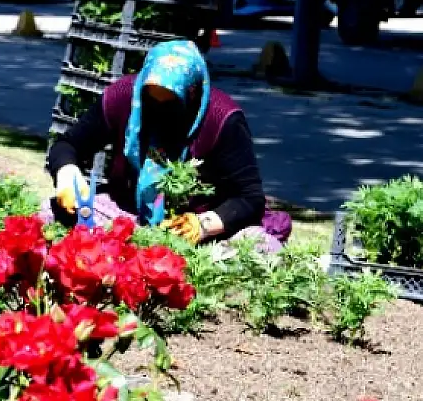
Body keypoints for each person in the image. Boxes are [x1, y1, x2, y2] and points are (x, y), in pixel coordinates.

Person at [44, 40, 289, 250]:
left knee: (258, 248)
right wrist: (67, 174)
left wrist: (203, 225)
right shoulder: (124, 98)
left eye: (171, 103)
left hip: (196, 229)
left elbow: (249, 198)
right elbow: (67, 145)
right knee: (47, 214)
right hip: (129, 213)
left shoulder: (221, 119)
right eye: (151, 100)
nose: (159, 112)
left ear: (193, 95)